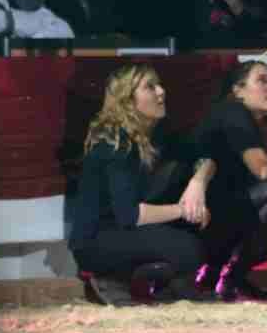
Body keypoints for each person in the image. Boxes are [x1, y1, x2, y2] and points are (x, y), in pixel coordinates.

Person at [67, 64, 217, 305]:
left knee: (201, 223)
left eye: (159, 84)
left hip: (125, 231)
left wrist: (198, 183)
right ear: (127, 100)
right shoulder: (116, 144)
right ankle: (111, 278)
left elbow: (206, 158)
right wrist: (186, 210)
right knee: (189, 248)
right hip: (98, 241)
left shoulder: (156, 133)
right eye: (150, 87)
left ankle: (169, 286)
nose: (161, 91)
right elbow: (130, 215)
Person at [192, 61, 267, 301]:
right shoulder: (233, 112)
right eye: (262, 81)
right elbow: (264, 171)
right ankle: (227, 275)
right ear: (238, 90)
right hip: (199, 219)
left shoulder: (248, 121)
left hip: (217, 217)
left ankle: (222, 277)